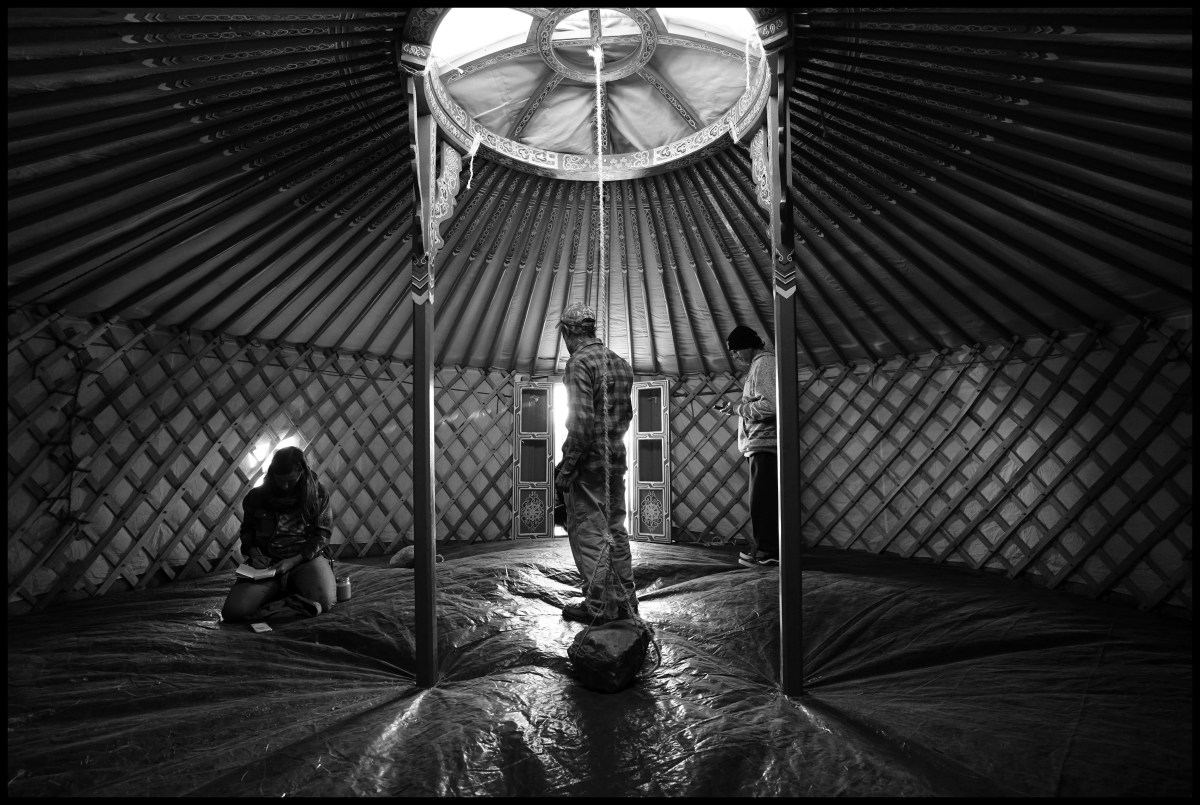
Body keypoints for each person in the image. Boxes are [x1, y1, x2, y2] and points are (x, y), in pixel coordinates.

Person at [554, 302, 639, 623]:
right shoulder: (620, 363)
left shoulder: (579, 363)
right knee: (615, 530)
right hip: (615, 460)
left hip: (589, 465)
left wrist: (567, 468)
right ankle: (627, 601)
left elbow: (582, 423)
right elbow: (626, 416)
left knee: (590, 532)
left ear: (568, 332)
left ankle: (601, 606)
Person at [221, 446, 337, 622]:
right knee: (233, 612)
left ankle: (271, 605)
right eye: (280, 480)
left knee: (325, 601)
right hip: (269, 563)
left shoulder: (318, 494)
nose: (285, 486)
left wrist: (293, 561)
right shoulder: (256, 497)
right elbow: (247, 532)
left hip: (304, 559)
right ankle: (291, 601)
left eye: (291, 480)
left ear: (302, 473)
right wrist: (254, 553)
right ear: (272, 474)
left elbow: (322, 535)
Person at [716, 325, 779, 568]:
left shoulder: (765, 363)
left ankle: (768, 552)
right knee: (761, 501)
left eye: (735, 351)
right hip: (759, 443)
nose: (734, 356)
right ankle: (764, 549)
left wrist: (737, 409)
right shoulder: (758, 365)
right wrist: (735, 409)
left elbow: (770, 406)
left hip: (766, 444)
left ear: (747, 346)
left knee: (762, 502)